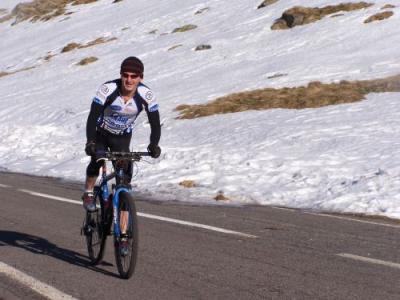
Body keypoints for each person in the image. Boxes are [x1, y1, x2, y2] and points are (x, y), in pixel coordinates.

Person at [82, 56, 161, 212]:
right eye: (126, 75)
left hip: (122, 137)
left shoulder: (147, 95)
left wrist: (154, 144)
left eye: (134, 76)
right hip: (102, 134)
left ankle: (124, 231)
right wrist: (90, 141)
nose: (129, 80)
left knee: (124, 179)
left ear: (141, 77)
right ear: (121, 75)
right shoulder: (108, 89)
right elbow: (92, 116)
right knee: (97, 159)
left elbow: (155, 123)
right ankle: (88, 192)